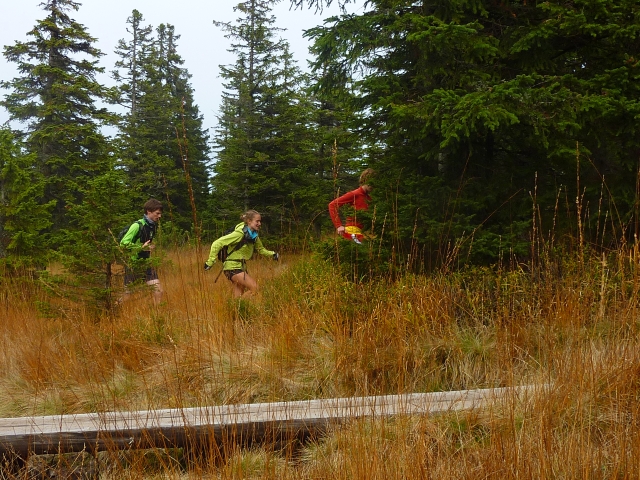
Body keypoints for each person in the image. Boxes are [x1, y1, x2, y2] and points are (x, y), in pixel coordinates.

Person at [204, 210, 279, 298]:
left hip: (240, 267)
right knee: (255, 288)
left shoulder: (254, 236)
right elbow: (217, 243)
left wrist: (273, 254)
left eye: (260, 221)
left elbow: (261, 249)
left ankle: (235, 306)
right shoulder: (240, 233)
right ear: (249, 221)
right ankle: (239, 304)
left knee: (238, 297)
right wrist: (210, 262)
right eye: (257, 221)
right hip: (232, 267)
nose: (259, 224)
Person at [119, 198, 163, 305]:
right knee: (127, 296)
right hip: (133, 264)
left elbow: (145, 243)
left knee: (158, 291)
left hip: (146, 264)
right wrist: (140, 247)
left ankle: (156, 314)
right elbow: (123, 243)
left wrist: (149, 247)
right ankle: (113, 309)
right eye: (157, 213)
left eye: (160, 213)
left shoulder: (152, 226)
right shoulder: (137, 225)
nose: (160, 216)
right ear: (149, 211)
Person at [328, 168, 374, 243]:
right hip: (351, 233)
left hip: (360, 233)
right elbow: (332, 205)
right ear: (365, 180)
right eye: (371, 183)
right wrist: (338, 225)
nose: (373, 186)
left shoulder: (369, 198)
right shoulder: (355, 194)